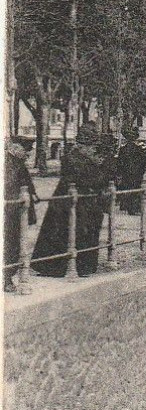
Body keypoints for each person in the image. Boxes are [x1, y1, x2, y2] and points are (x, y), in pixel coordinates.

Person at [32, 124, 109, 278]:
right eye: (91, 146)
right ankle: (55, 266)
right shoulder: (72, 158)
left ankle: (83, 266)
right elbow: (85, 179)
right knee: (64, 232)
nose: (93, 149)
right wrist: (98, 175)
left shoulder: (85, 159)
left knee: (83, 232)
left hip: (84, 201)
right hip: (68, 202)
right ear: (81, 146)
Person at [5, 135, 38, 291]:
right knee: (9, 245)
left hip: (17, 211)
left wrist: (33, 194)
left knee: (14, 245)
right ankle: (5, 280)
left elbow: (27, 183)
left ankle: (7, 278)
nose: (28, 155)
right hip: (9, 211)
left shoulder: (18, 163)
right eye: (26, 151)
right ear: (16, 148)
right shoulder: (7, 162)